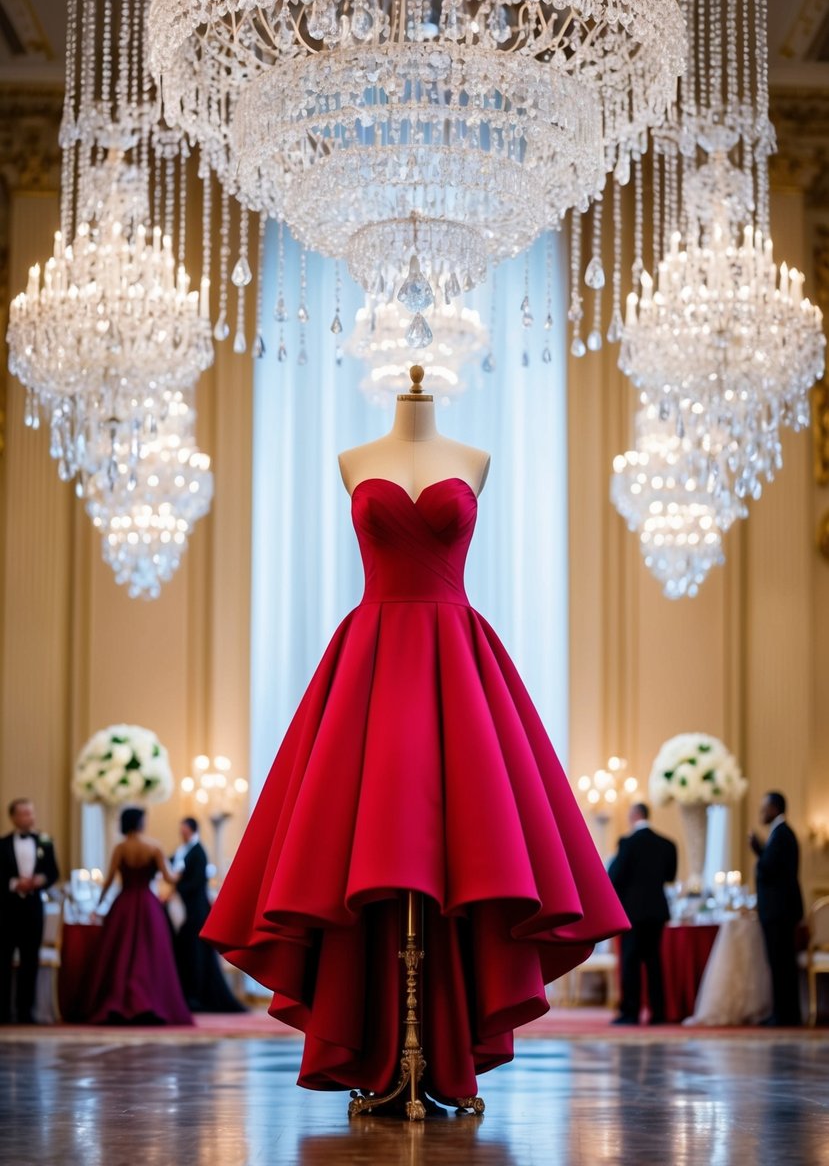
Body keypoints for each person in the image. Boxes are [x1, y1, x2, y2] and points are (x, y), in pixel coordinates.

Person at [202, 367, 629, 1104]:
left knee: (469, 853)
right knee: (358, 848)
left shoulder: (475, 459)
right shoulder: (350, 459)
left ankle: (440, 1057)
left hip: (457, 659)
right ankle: (378, 1054)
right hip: (369, 658)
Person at [85, 807, 193, 1025]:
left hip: (123, 905)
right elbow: (169, 878)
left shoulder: (120, 848)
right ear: (140, 822)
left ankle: (118, 1003)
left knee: (120, 955)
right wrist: (183, 871)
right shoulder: (154, 847)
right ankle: (149, 1003)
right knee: (149, 956)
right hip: (147, 905)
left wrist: (97, 905)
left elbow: (108, 881)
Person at [608, 802, 677, 1025]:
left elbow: (614, 876)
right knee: (654, 961)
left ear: (635, 815)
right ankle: (659, 1013)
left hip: (633, 913)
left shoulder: (628, 843)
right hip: (657, 912)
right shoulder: (667, 844)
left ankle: (631, 1011)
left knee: (631, 961)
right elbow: (670, 876)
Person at [169, 817, 246, 1012]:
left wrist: (176, 886)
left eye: (183, 828)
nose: (181, 832)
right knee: (188, 952)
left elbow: (196, 882)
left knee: (197, 953)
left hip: (196, 910)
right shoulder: (183, 851)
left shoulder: (198, 852)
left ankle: (198, 996)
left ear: (191, 829)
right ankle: (189, 993)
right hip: (187, 909)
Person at [0, 798, 60, 1024]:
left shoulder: (45, 842)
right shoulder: (2, 844)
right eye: (24, 813)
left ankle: (27, 1012)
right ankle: (4, 1012)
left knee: (30, 959)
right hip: (7, 908)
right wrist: (14, 884)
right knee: (4, 958)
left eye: (31, 813)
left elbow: (53, 872)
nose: (30, 817)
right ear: (14, 817)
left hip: (33, 907)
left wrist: (40, 880)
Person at [749, 791, 804, 1026]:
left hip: (779, 912)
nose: (762, 812)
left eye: (765, 807)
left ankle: (785, 1015)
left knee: (781, 964)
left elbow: (770, 869)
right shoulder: (780, 834)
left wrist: (757, 850)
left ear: (775, 808)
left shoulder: (782, 834)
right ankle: (784, 1013)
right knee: (780, 963)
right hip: (779, 911)